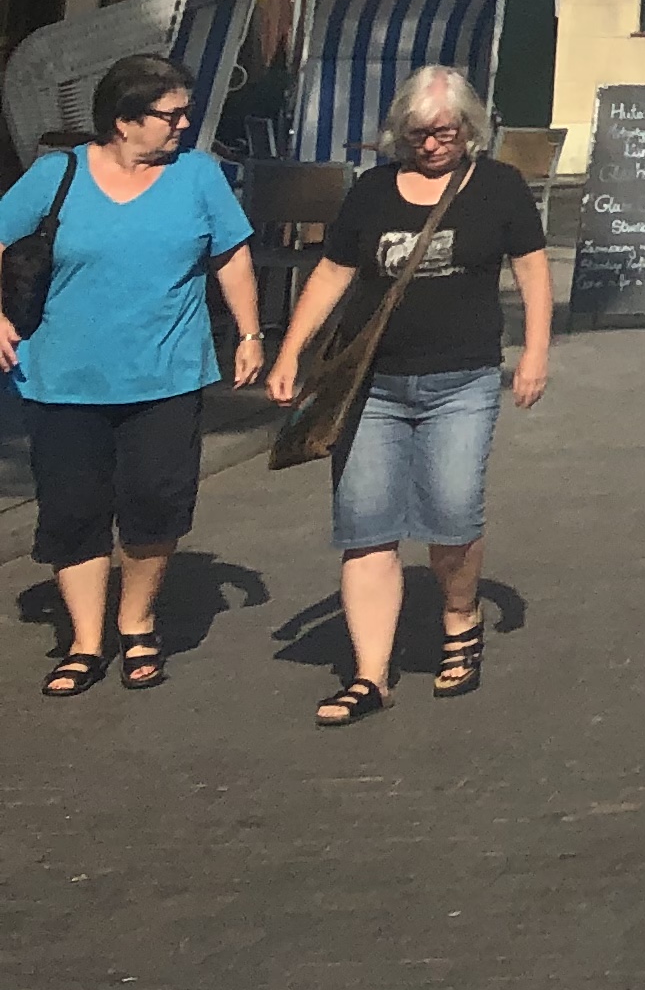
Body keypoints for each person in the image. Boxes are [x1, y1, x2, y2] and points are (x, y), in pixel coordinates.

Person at [267, 66, 551, 727]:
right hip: (373, 386)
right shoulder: (372, 191)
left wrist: (536, 351)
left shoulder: (498, 187)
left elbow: (532, 267)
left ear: (469, 129)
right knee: (367, 527)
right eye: (420, 133)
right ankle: (370, 676)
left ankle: (460, 616)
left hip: (462, 379)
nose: (432, 145)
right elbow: (334, 271)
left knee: (452, 516)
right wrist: (290, 351)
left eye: (445, 133)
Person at [0, 54, 264, 697]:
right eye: (172, 114)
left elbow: (231, 255)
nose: (184, 125)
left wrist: (250, 333)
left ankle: (137, 622)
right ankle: (86, 642)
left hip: (166, 375)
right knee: (73, 509)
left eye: (185, 113)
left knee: (156, 500)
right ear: (124, 120)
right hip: (63, 377)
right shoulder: (56, 174)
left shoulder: (197, 176)